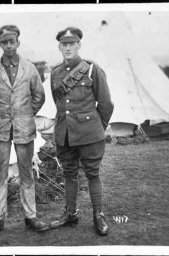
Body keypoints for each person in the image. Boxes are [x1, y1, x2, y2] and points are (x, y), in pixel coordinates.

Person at [0, 25, 49, 235]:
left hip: (24, 128)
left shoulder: (29, 68)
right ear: (0, 44)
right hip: (0, 129)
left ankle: (31, 217)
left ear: (18, 42)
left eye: (12, 41)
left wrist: (25, 114)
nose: (9, 45)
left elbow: (39, 95)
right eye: (4, 42)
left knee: (26, 173)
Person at [49, 27, 114, 236]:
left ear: (79, 45)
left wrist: (97, 128)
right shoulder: (55, 73)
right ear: (59, 46)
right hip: (65, 133)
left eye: (72, 44)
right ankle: (70, 214)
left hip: (89, 133)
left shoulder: (93, 69)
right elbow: (59, 103)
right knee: (69, 174)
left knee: (92, 174)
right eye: (64, 44)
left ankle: (98, 215)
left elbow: (105, 104)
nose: (68, 48)